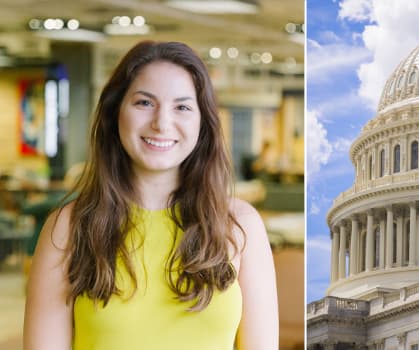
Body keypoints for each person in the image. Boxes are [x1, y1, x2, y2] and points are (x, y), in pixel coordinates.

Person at [23, 41, 278, 350]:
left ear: (203, 123)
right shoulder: (69, 227)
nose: (161, 123)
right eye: (144, 103)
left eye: (182, 107)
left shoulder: (241, 225)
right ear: (115, 111)